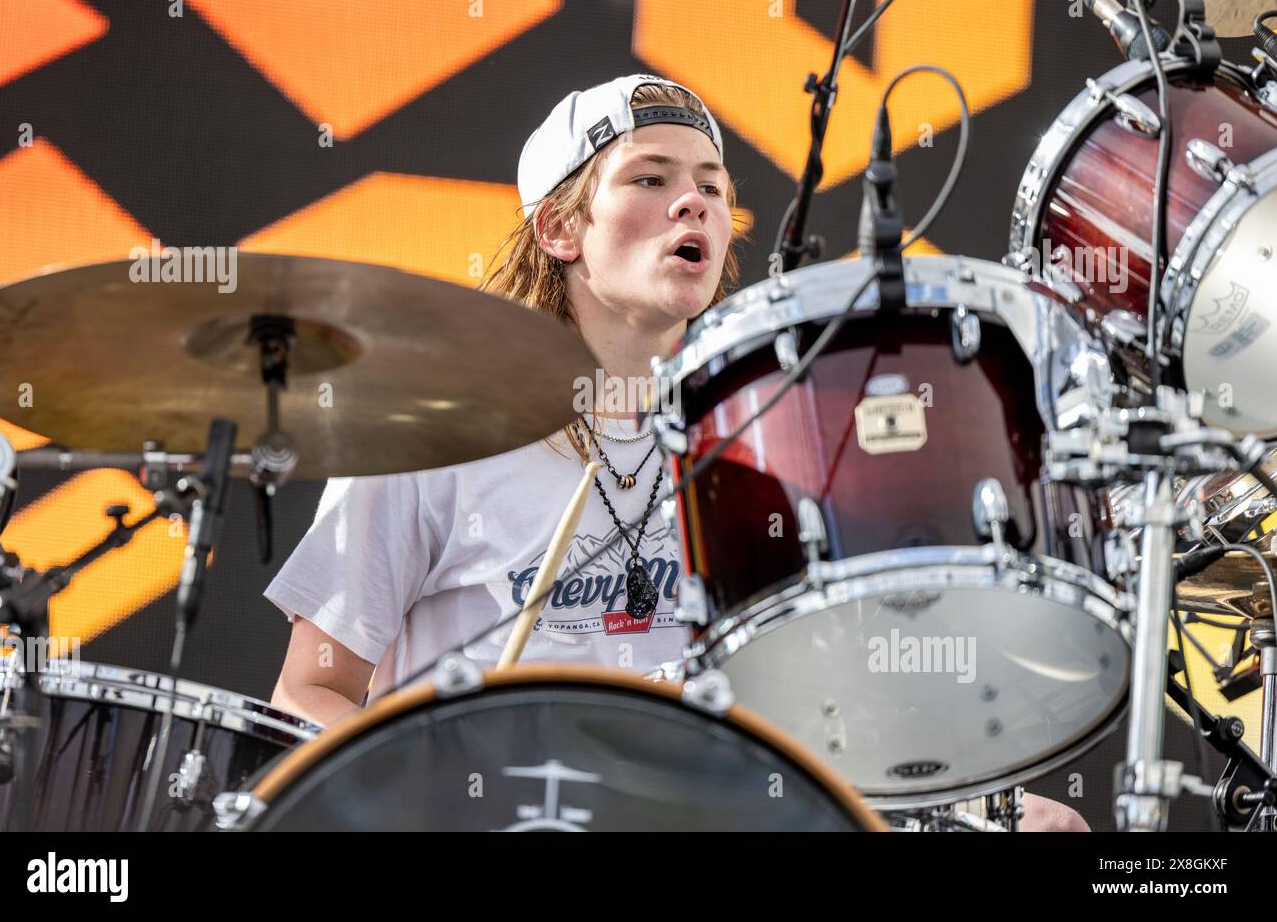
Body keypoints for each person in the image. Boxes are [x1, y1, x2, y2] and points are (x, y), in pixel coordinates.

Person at [264, 73, 1088, 831]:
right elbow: (310, 689)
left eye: (711, 187)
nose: (691, 204)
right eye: (650, 178)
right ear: (558, 226)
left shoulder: (764, 442)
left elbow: (840, 717)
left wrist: (989, 805)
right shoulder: (439, 428)